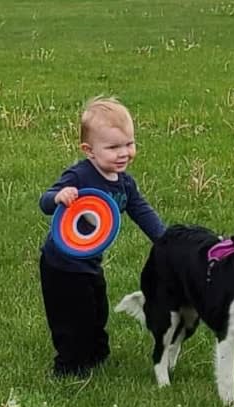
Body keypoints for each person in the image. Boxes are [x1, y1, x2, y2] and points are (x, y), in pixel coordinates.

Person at [38, 96, 165, 377]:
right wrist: (59, 196)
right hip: (61, 265)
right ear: (89, 150)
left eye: (129, 144)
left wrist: (165, 240)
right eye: (113, 147)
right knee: (71, 317)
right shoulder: (79, 176)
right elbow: (44, 202)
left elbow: (142, 212)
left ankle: (96, 353)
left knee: (97, 309)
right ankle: (69, 366)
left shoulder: (125, 183)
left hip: (91, 262)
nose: (124, 153)